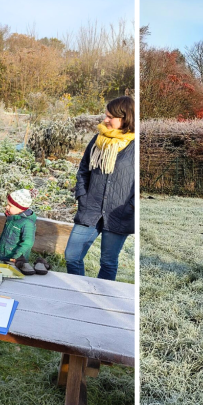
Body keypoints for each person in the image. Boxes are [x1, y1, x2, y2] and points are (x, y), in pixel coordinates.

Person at [64, 96, 135, 281]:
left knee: (108, 262)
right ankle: (81, 294)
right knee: (72, 256)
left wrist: (132, 206)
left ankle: (100, 302)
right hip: (91, 208)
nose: (105, 120)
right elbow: (83, 170)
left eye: (110, 117)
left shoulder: (136, 146)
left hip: (119, 214)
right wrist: (82, 196)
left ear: (125, 118)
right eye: (106, 115)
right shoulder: (98, 139)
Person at [0, 189, 38, 273]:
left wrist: (17, 256)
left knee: (13, 276)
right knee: (5, 275)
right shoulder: (12, 218)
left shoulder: (27, 223)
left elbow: (27, 242)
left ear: (20, 208)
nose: (7, 207)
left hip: (17, 260)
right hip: (7, 255)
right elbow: (4, 235)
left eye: (10, 206)